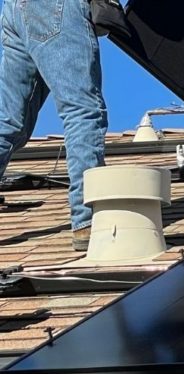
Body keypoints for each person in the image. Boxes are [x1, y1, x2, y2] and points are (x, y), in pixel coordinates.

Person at [0, 0, 125, 251]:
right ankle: (87, 221)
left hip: (15, 9)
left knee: (8, 123)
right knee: (83, 111)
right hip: (57, 6)